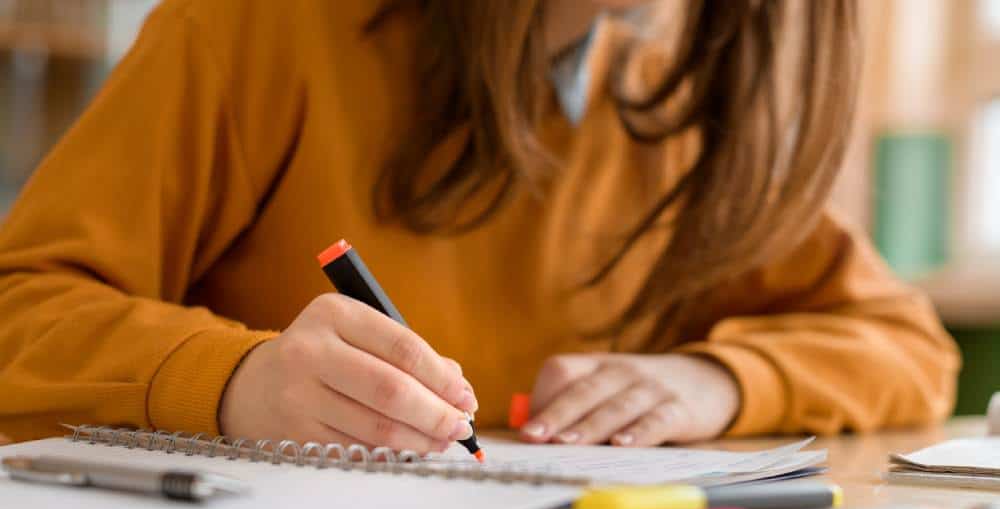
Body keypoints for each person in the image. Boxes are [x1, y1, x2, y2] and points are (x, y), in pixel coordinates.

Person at [0, 0, 959, 451]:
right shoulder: (253, 28)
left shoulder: (671, 112)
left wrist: (713, 381)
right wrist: (235, 382)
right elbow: (20, 310)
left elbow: (905, 347)